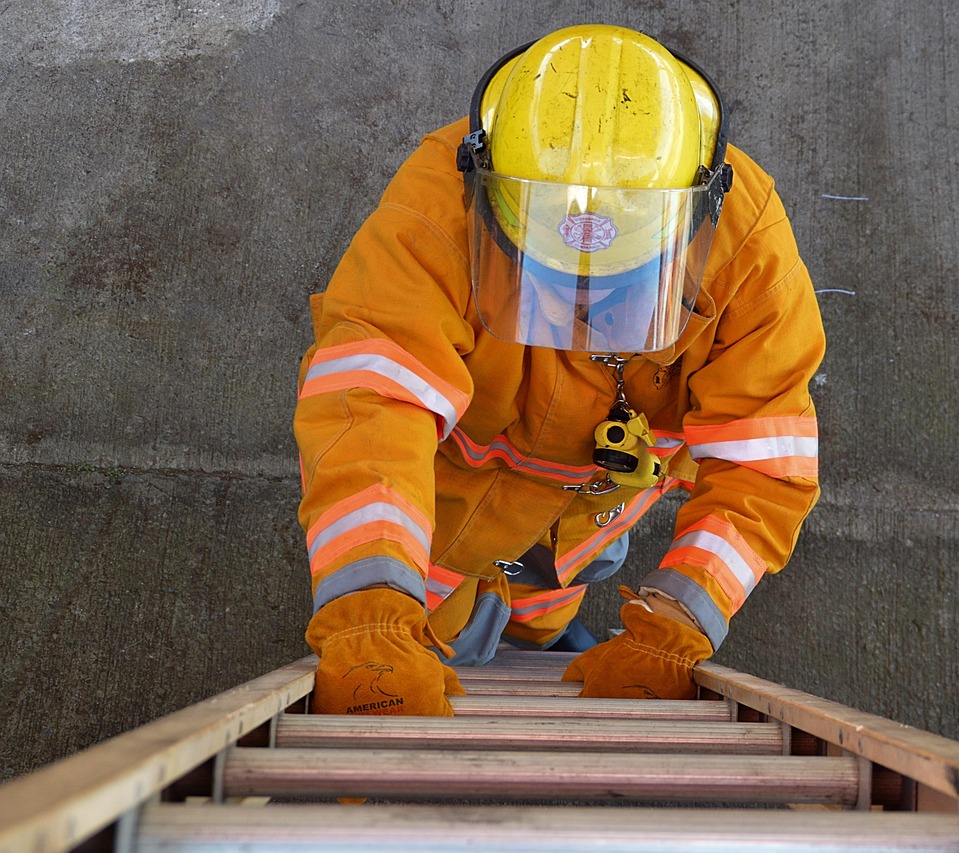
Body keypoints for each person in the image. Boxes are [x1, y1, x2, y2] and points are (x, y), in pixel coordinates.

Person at [295, 23, 824, 716]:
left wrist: (677, 624)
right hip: (453, 513)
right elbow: (368, 400)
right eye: (554, 270)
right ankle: (467, 629)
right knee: (432, 638)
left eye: (621, 280)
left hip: (594, 508)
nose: (584, 307)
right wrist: (370, 608)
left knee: (554, 593)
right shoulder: (434, 207)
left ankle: (543, 625)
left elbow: (762, 463)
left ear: (697, 213)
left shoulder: (746, 247)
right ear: (492, 198)